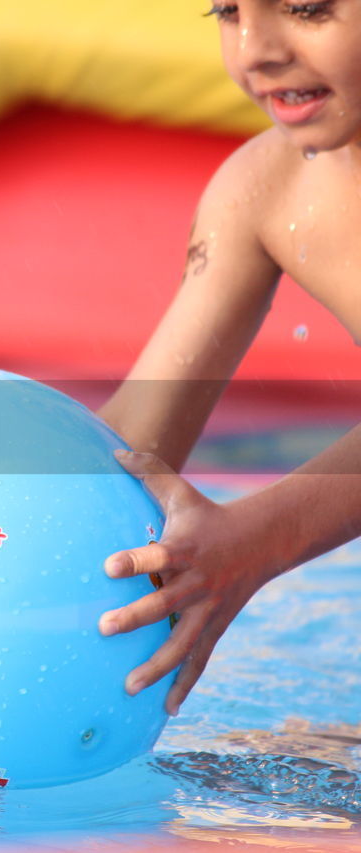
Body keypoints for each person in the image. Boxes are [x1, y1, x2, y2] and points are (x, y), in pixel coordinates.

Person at [95, 0, 361, 715]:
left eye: (306, 8)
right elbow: (129, 448)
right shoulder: (269, 188)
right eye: (226, 10)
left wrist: (254, 538)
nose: (254, 50)